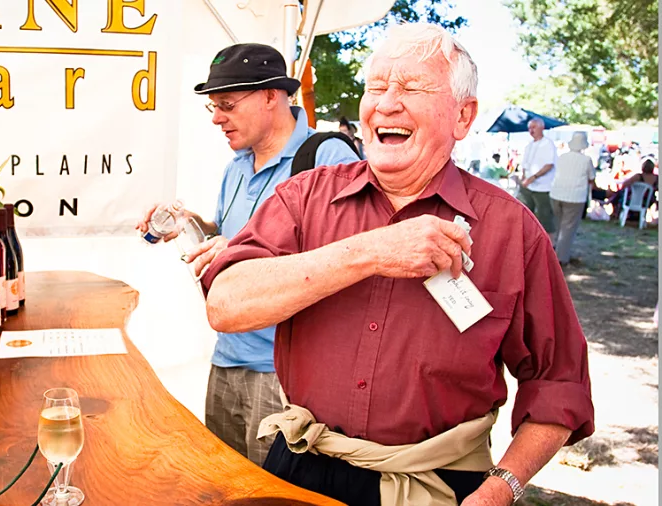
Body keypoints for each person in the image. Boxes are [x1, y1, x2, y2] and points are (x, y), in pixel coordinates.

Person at [202, 23, 593, 506]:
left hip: (438, 484)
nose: (385, 104)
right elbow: (226, 304)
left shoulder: (511, 229)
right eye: (376, 87)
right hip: (300, 467)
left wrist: (502, 488)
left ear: (463, 116)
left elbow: (559, 382)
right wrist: (371, 251)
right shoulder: (305, 196)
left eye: (411, 87)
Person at [136, 43, 358, 467]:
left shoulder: (327, 156)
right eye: (213, 107)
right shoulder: (236, 166)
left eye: (227, 105)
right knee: (224, 486)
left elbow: (347, 259)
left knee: (274, 496)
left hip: (287, 373)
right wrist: (187, 223)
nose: (218, 118)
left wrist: (236, 249)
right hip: (227, 357)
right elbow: (229, 236)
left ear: (272, 96)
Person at [549, 132, 595, 266]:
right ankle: (560, 257)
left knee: (557, 225)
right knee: (568, 228)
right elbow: (591, 178)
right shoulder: (586, 160)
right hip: (575, 197)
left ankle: (553, 251)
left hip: (557, 193)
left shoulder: (562, 157)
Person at [518, 118, 557, 233]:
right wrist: (524, 177)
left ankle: (549, 245)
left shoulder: (548, 144)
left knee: (545, 218)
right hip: (527, 186)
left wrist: (532, 178)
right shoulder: (529, 145)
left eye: (534, 127)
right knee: (524, 214)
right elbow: (525, 165)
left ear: (541, 128)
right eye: (529, 128)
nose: (531, 130)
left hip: (543, 187)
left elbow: (549, 165)